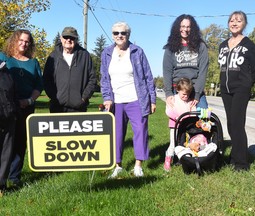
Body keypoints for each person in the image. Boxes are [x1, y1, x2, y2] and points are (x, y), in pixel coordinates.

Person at [100, 22, 156, 178]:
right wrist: (106, 98)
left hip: (136, 99)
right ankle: (117, 165)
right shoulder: (106, 53)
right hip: (116, 101)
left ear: (128, 35)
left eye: (123, 33)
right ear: (112, 35)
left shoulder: (138, 51)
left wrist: (152, 100)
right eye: (116, 33)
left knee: (140, 132)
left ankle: (138, 165)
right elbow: (104, 78)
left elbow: (148, 77)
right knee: (116, 134)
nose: (119, 36)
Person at [0, 29, 43, 187]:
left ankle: (14, 177)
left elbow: (39, 85)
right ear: (14, 40)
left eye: (27, 41)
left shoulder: (34, 62)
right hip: (6, 108)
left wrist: (29, 100)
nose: (24, 43)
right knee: (4, 143)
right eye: (21, 40)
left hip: (25, 108)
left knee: (19, 143)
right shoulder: (4, 57)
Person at [218, 11, 255, 171]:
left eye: (239, 20)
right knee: (230, 123)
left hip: (241, 89)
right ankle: (235, 157)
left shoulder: (249, 45)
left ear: (244, 24)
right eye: (232, 20)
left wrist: (246, 83)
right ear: (228, 23)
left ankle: (241, 163)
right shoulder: (223, 45)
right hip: (225, 89)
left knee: (237, 123)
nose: (234, 23)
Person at [43, 27, 96, 113]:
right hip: (57, 108)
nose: (68, 40)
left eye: (72, 38)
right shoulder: (53, 56)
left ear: (76, 39)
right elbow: (46, 79)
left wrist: (83, 98)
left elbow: (92, 79)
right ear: (61, 38)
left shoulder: (85, 55)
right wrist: (54, 97)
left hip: (79, 109)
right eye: (65, 37)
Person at [163, 14, 209, 110]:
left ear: (192, 29)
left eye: (188, 27)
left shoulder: (201, 46)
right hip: (178, 90)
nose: (186, 29)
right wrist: (168, 93)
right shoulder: (170, 48)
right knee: (179, 122)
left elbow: (203, 71)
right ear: (177, 28)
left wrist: (197, 94)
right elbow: (167, 71)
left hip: (195, 90)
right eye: (183, 26)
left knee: (204, 119)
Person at [164, 77, 196, 171]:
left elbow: (193, 112)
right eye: (184, 94)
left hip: (185, 127)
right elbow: (168, 111)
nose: (186, 97)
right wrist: (177, 117)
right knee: (173, 144)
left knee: (184, 143)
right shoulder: (173, 99)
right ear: (178, 90)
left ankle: (184, 160)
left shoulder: (190, 101)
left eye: (188, 94)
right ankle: (168, 159)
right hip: (175, 126)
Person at [0, 60, 17, 197]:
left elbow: (12, 92)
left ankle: (1, 185)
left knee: (6, 153)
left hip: (8, 117)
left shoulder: (5, 69)